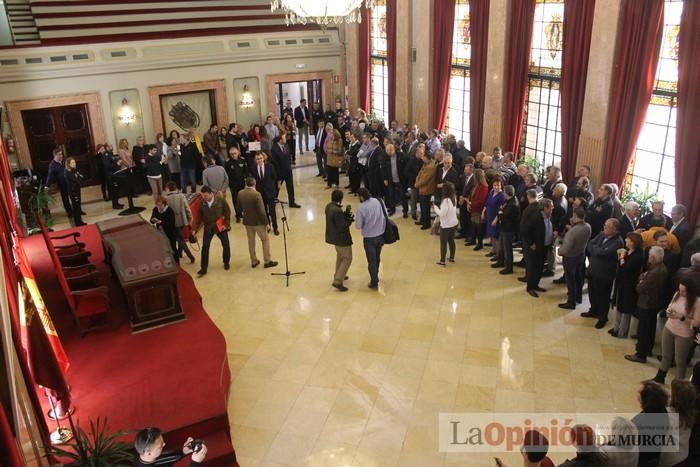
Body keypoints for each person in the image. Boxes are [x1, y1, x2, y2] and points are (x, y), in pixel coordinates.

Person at [625, 246, 669, 364]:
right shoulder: (660, 267)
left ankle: (641, 354)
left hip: (647, 303)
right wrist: (643, 278)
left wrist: (641, 281)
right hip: (653, 303)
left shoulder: (655, 272)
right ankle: (646, 349)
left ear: (653, 258)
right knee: (649, 328)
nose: (648, 258)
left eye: (650, 256)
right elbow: (643, 277)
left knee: (644, 329)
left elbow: (640, 288)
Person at [651, 278, 699, 383]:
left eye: (684, 291)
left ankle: (679, 384)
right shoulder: (677, 294)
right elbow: (670, 306)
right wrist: (668, 312)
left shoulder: (697, 302)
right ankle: (660, 377)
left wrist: (681, 317)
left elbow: (696, 322)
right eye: (680, 289)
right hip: (669, 327)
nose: (681, 292)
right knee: (666, 355)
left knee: (680, 361)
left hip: (684, 334)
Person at [583, 218, 624, 328]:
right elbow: (590, 244)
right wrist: (598, 249)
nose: (604, 227)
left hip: (604, 274)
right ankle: (593, 311)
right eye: (605, 225)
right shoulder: (602, 234)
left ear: (614, 229)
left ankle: (602, 317)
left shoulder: (618, 242)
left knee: (603, 297)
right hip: (592, 270)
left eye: (607, 226)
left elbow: (602, 253)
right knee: (592, 293)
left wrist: (597, 249)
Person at [237, 177, 278, 269]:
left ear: (246, 184)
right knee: (265, 240)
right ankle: (267, 261)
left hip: (247, 222)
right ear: (254, 184)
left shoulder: (240, 193)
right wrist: (266, 223)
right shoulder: (256, 194)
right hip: (258, 222)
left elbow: (238, 208)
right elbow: (261, 211)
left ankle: (254, 261)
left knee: (251, 241)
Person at [609, 232, 645, 337]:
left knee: (625, 308)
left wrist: (622, 257)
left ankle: (622, 332)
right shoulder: (629, 252)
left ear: (633, 242)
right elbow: (619, 267)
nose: (625, 241)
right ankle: (616, 328)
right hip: (621, 282)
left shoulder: (638, 255)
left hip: (629, 285)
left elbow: (626, 269)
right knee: (619, 305)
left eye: (627, 240)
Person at [558, 208, 592, 309]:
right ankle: (578, 297)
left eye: (573, 216)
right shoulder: (588, 227)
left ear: (575, 216)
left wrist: (560, 251)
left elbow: (566, 247)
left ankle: (571, 302)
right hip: (581, 255)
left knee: (570, 280)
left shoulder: (573, 231)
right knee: (578, 278)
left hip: (570, 257)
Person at [193, 186, 231, 277]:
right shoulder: (202, 203)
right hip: (208, 227)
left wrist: (226, 225)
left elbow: (227, 211)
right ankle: (203, 268)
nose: (204, 197)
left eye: (205, 195)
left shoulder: (220, 200)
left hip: (220, 226)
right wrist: (194, 229)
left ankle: (226, 262)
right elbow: (198, 217)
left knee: (225, 244)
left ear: (211, 193)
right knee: (205, 247)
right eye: (203, 196)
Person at [631, 381, 671, 467]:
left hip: (641, 459)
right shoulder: (663, 412)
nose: (637, 396)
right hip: (655, 456)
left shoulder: (640, 420)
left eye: (639, 393)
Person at [658, 380, 696, 467]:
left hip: (669, 460)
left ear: (675, 398)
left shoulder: (666, 414)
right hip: (683, 456)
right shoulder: (690, 413)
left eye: (670, 391)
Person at [355, 188, 386, 290]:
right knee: (377, 256)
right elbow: (384, 213)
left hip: (369, 237)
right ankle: (376, 274)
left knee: (371, 260)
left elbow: (358, 226)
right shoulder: (377, 201)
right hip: (380, 234)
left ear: (361, 197)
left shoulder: (361, 208)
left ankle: (374, 281)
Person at [520, 198, 552, 298]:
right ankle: (530, 287)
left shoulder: (549, 215)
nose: (553, 207)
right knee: (532, 268)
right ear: (545, 208)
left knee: (540, 267)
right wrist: (531, 243)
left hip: (544, 246)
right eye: (551, 206)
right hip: (534, 247)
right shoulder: (536, 217)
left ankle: (536, 285)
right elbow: (525, 230)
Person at [133, 427, 207, 467]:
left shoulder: (143, 455)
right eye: (160, 445)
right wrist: (195, 462)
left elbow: (163, 459)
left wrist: (183, 450)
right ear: (148, 453)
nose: (164, 444)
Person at [325, 189, 354, 291]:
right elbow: (342, 226)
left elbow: (336, 220)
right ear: (341, 199)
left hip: (333, 237)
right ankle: (338, 280)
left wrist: (344, 214)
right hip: (342, 239)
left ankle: (339, 274)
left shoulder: (329, 206)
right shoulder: (337, 211)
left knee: (340, 257)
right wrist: (349, 220)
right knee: (347, 258)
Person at [164, 182, 195, 264]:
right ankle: (180, 253)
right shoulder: (181, 196)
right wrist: (190, 219)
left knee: (180, 239)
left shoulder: (166, 199)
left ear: (168, 189)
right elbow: (187, 208)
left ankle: (190, 256)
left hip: (173, 223)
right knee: (179, 236)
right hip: (182, 220)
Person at [252, 152, 279, 235]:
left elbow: (274, 178)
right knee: (263, 211)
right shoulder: (253, 168)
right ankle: (268, 225)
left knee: (272, 211)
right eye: (257, 159)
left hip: (270, 192)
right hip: (260, 193)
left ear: (263, 158)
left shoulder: (270, 166)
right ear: (255, 160)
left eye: (260, 158)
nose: (259, 160)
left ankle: (275, 227)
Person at [434, 181, 458, 266]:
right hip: (454, 223)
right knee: (451, 240)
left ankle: (442, 261)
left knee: (443, 243)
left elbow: (442, 214)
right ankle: (452, 258)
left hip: (446, 225)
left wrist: (435, 208)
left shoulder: (446, 201)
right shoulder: (454, 198)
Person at [496, 185, 520, 274]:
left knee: (507, 248)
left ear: (506, 193)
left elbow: (502, 215)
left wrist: (500, 211)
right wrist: (500, 211)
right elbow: (500, 209)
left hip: (508, 229)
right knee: (502, 246)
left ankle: (509, 267)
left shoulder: (512, 204)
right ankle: (500, 261)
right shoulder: (510, 200)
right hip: (504, 227)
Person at [46, 147, 72, 218]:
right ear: (55, 155)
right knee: (65, 199)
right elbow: (50, 176)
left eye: (61, 154)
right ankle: (69, 212)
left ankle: (77, 210)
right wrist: (47, 185)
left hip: (70, 182)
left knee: (74, 197)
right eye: (59, 155)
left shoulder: (64, 161)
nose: (61, 156)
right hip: (62, 184)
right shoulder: (52, 165)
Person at [414, 149, 437, 230]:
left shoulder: (431, 166)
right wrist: (417, 181)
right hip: (421, 188)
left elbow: (425, 179)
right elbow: (419, 174)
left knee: (425, 207)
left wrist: (417, 184)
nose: (422, 158)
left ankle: (426, 223)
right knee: (422, 205)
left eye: (423, 156)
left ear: (427, 157)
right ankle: (422, 219)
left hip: (426, 189)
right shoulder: (425, 164)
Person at [224, 146, 248, 222]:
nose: (233, 155)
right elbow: (226, 174)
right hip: (233, 185)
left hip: (242, 183)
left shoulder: (243, 160)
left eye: (235, 153)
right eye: (232, 154)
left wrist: (247, 181)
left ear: (238, 152)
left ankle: (244, 212)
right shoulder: (228, 162)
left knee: (243, 199)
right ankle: (238, 214)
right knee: (235, 200)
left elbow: (246, 171)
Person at [484, 179, 505, 262]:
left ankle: (497, 253)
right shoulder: (491, 192)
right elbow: (487, 203)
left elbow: (501, 209)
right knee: (491, 235)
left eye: (498, 185)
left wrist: (496, 219)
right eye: (495, 185)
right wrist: (483, 212)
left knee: (496, 236)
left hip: (495, 216)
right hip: (489, 214)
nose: (496, 187)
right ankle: (493, 250)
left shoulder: (501, 195)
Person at [150, 196, 177, 261]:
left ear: (164, 204)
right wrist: (152, 220)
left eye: (160, 205)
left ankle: (176, 263)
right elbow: (151, 219)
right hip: (160, 233)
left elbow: (171, 223)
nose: (158, 207)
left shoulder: (169, 210)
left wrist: (161, 222)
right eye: (157, 205)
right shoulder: (155, 209)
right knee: (164, 249)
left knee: (173, 249)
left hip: (170, 233)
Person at [469, 169, 490, 249]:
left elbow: (482, 200)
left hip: (479, 209)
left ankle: (479, 243)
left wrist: (472, 204)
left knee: (479, 227)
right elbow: (472, 195)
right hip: (473, 208)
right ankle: (473, 240)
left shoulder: (484, 187)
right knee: (473, 225)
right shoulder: (476, 185)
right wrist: (469, 202)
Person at [64, 157, 86, 226]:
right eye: (72, 162)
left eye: (74, 162)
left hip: (77, 189)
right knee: (75, 207)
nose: (74, 164)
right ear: (68, 164)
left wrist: (78, 176)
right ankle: (78, 222)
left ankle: (79, 221)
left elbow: (81, 178)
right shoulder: (67, 172)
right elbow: (77, 179)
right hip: (73, 192)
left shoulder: (74, 170)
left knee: (78, 205)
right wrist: (78, 176)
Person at [458, 163, 476, 243]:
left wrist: (465, 198)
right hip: (463, 200)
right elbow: (462, 188)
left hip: (469, 201)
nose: (464, 171)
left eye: (466, 170)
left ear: (471, 170)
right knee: (462, 217)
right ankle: (463, 232)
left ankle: (469, 234)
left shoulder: (474, 179)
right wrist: (461, 196)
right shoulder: (463, 177)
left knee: (468, 219)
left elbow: (473, 191)